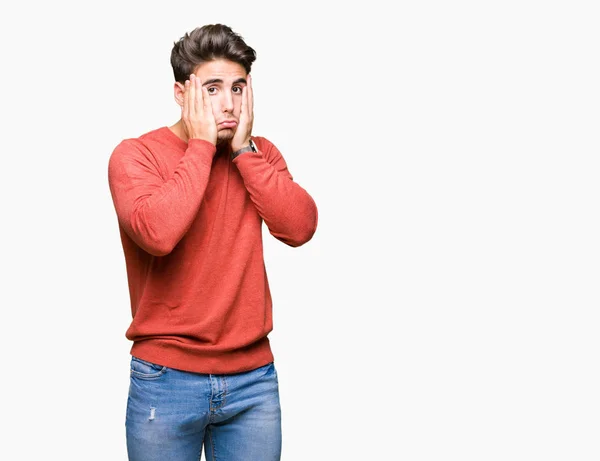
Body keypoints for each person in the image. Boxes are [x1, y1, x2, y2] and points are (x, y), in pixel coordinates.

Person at [107, 23, 318, 461]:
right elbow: (157, 234)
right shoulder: (135, 155)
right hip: (165, 380)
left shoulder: (260, 155)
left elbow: (300, 228)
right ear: (181, 93)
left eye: (238, 88)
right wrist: (202, 145)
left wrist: (244, 153)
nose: (228, 104)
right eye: (213, 89)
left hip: (252, 381)